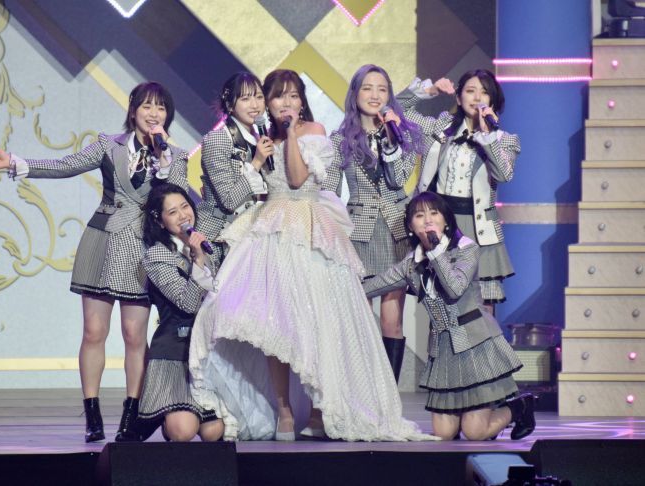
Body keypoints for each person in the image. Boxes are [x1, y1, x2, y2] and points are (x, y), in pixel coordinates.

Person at [188, 69, 437, 442]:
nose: (286, 102)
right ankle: (283, 409)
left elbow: (296, 178)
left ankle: (323, 408)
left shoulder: (315, 131)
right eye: (278, 96)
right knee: (272, 324)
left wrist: (290, 134)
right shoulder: (260, 137)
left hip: (310, 229)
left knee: (319, 320)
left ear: (302, 100)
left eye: (293, 95)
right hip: (272, 230)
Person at [0, 82, 189, 442]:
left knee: (134, 334)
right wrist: (15, 163)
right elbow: (66, 166)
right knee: (93, 331)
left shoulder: (174, 156)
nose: (154, 114)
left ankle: (131, 415)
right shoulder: (108, 145)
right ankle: (92, 414)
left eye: (161, 108)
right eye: (147, 106)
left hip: (142, 248)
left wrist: (164, 154)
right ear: (133, 109)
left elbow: (178, 195)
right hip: (102, 242)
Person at [363, 191, 535, 441]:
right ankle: (475, 416)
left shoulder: (467, 249)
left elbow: (454, 288)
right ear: (411, 227)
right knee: (443, 434)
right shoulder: (411, 264)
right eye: (419, 216)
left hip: (475, 344)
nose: (428, 220)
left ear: (446, 221)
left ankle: (519, 408)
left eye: (434, 213)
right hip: (444, 351)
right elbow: (371, 286)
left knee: (474, 433)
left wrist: (436, 253)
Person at [323, 64, 423, 382]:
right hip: (358, 232)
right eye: (367, 88)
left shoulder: (404, 135)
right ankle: (363, 390)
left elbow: (398, 179)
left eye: (382, 89)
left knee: (392, 320)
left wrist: (391, 139)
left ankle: (388, 394)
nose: (375, 95)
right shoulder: (340, 140)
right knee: (361, 320)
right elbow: (330, 191)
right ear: (355, 94)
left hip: (396, 230)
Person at [397, 69, 520, 306]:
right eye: (470, 91)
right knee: (441, 303)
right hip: (441, 224)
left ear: (493, 101)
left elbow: (504, 175)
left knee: (480, 306)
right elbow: (398, 111)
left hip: (478, 227)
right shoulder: (441, 127)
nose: (477, 97)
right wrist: (429, 91)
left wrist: (487, 135)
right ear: (458, 98)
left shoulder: (504, 140)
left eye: (484, 92)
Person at [135, 183, 224, 442]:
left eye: (185, 206)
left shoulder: (209, 247)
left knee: (214, 432)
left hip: (207, 352)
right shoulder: (157, 256)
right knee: (183, 431)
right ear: (160, 221)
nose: (183, 215)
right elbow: (187, 304)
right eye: (172, 212)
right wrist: (197, 261)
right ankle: (165, 420)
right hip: (176, 353)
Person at [196, 72, 271, 265]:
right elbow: (229, 200)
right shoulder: (218, 139)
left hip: (251, 234)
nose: (255, 105)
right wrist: (257, 162)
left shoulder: (261, 139)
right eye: (245, 99)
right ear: (230, 105)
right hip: (217, 237)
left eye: (259, 97)